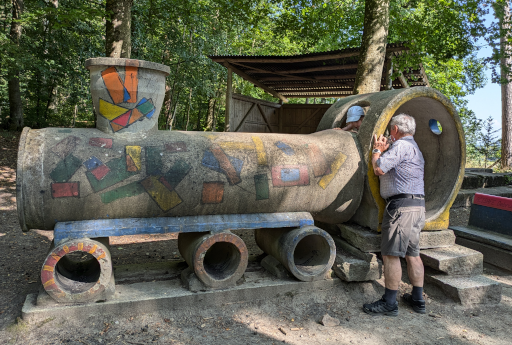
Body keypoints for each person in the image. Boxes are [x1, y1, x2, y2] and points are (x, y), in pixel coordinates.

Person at [362, 113, 426, 317]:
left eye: (391, 130)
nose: (389, 134)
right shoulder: (415, 148)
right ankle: (418, 299)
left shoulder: (401, 146)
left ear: (395, 130)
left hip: (401, 208)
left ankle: (389, 302)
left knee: (391, 255)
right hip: (417, 206)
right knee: (412, 254)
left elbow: (379, 168)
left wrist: (376, 151)